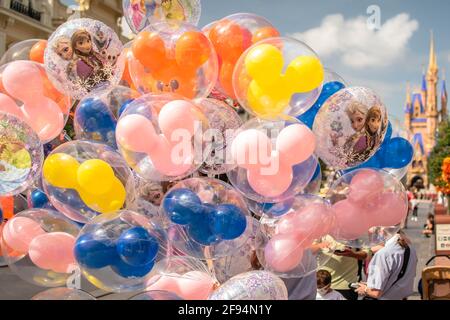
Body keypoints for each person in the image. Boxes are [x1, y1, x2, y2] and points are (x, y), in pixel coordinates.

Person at [355, 231, 418, 300]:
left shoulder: (383, 254)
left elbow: (376, 293)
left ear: (382, 230)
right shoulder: (410, 248)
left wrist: (364, 289)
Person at [320, 235, 370, 300]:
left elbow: (367, 253)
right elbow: (309, 249)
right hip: (322, 284)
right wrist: (321, 245)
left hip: (346, 284)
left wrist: (353, 254)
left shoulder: (358, 229)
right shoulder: (320, 227)